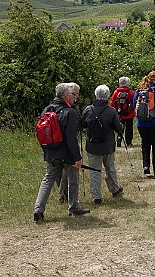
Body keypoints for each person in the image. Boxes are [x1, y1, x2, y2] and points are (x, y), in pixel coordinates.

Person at [33, 82, 89, 222]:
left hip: (50, 151)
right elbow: (71, 138)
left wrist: (46, 150)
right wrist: (77, 158)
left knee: (48, 179)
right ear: (66, 96)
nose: (75, 97)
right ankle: (74, 207)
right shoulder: (69, 112)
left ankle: (38, 209)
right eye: (73, 95)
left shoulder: (47, 109)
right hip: (67, 154)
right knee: (73, 179)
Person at [81, 84, 125, 204]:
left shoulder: (88, 109)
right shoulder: (111, 111)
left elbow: (83, 125)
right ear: (107, 96)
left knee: (94, 170)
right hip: (107, 145)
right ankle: (115, 189)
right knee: (110, 168)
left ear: (96, 95)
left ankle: (97, 196)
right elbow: (119, 129)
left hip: (92, 145)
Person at [133, 71, 155, 179]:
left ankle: (146, 166)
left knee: (145, 144)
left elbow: (134, 104)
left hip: (141, 123)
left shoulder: (139, 91)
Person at [110, 76, 136, 147]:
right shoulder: (130, 92)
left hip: (119, 114)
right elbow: (134, 102)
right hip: (129, 114)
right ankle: (129, 142)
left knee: (119, 127)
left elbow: (112, 103)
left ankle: (119, 137)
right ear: (128, 83)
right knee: (129, 128)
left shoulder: (116, 92)